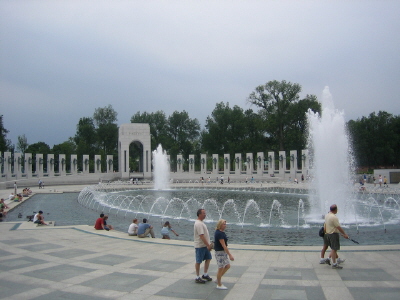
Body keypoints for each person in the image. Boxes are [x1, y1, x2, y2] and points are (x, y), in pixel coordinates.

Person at [325, 204, 349, 269]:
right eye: (337, 209)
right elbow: (338, 227)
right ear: (335, 210)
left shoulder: (327, 215)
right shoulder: (334, 217)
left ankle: (328, 258)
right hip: (333, 234)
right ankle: (334, 264)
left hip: (328, 233)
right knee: (334, 249)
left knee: (333, 248)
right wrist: (344, 234)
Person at [194, 208, 213, 284]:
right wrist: (208, 245)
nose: (205, 214)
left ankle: (205, 274)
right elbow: (201, 236)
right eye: (203, 213)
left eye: (205, 213)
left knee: (208, 258)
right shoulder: (198, 223)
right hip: (200, 246)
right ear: (199, 214)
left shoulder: (201, 222)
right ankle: (197, 277)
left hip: (204, 246)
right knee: (198, 261)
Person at [214, 219, 234, 290]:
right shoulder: (219, 233)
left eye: (225, 224)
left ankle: (218, 279)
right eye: (224, 224)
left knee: (227, 266)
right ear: (220, 225)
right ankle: (219, 284)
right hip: (220, 253)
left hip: (222, 252)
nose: (225, 225)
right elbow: (224, 245)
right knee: (221, 268)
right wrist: (230, 254)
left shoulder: (221, 232)